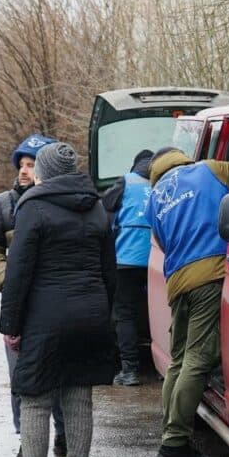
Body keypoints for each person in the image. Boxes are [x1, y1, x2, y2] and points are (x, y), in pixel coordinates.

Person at [0, 142, 116, 457]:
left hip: (46, 317)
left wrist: (11, 324)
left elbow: (18, 272)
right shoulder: (96, 205)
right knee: (79, 397)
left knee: (35, 397)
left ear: (43, 173)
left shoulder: (34, 206)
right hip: (92, 311)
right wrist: (104, 313)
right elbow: (108, 269)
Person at [146, 148, 229, 457]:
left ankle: (169, 430)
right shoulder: (210, 170)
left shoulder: (154, 198)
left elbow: (161, 244)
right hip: (209, 276)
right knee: (199, 359)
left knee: (179, 359)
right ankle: (175, 444)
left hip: (178, 283)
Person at [0, 134, 66, 457]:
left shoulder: (65, 202)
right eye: (22, 165)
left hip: (58, 302)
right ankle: (26, 440)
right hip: (20, 306)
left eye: (32, 165)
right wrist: (9, 281)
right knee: (22, 378)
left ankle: (63, 432)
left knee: (61, 375)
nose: (25, 171)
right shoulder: (2, 205)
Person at [101, 149, 154, 386]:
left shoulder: (126, 181)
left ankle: (130, 370)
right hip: (157, 260)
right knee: (160, 312)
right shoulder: (164, 184)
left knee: (124, 313)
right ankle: (165, 367)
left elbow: (106, 204)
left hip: (126, 259)